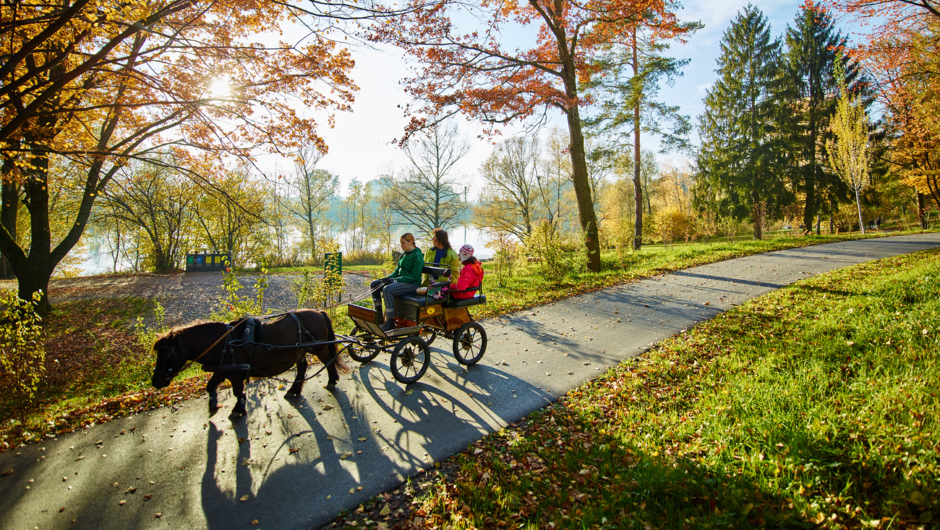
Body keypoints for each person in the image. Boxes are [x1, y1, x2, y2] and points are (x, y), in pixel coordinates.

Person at [371, 233, 423, 331]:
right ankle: (378, 316)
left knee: (388, 290)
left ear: (410, 242)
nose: (401, 245)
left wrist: (396, 280)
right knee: (375, 284)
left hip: (412, 284)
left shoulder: (417, 256)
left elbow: (414, 276)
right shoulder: (404, 254)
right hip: (401, 282)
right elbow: (397, 271)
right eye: (401, 243)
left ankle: (390, 321)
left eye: (403, 243)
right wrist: (387, 278)